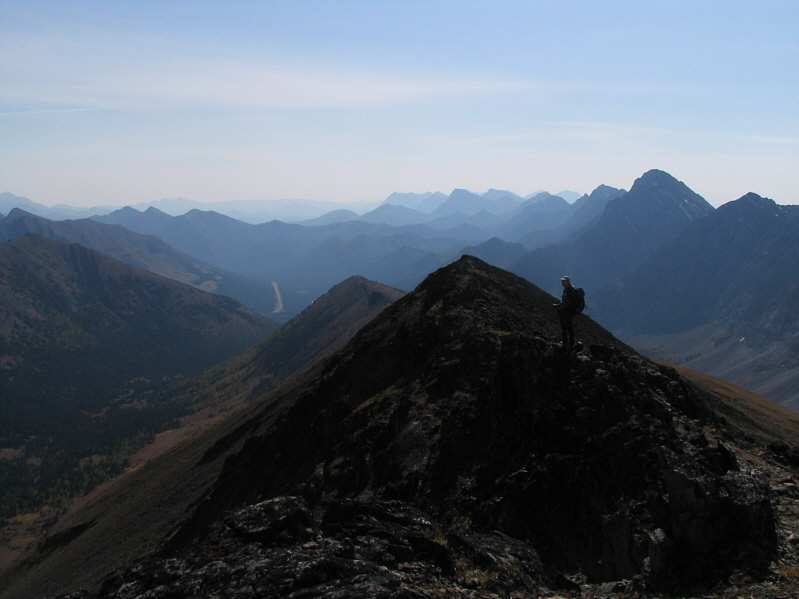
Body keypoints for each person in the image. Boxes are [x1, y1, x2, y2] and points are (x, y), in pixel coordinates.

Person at [555, 276, 578, 347]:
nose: (562, 283)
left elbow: (570, 303)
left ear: (568, 282)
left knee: (568, 326)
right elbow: (564, 301)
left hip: (568, 312)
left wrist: (561, 309)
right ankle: (565, 341)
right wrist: (558, 305)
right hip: (565, 311)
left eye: (564, 281)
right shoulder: (566, 290)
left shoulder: (570, 291)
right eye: (562, 281)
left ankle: (571, 343)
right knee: (564, 326)